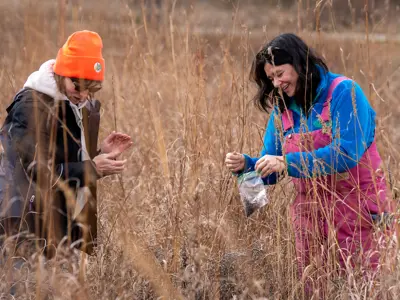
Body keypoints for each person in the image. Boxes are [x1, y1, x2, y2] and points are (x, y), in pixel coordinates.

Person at [225, 33, 393, 293]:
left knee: (364, 287)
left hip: (359, 211)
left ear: (300, 64)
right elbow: (272, 169)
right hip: (311, 220)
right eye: (271, 78)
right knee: (316, 289)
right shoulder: (282, 110)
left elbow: (347, 152)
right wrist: (248, 165)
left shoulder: (344, 93)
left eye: (280, 73)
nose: (277, 83)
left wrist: (287, 162)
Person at [0, 30, 133, 259]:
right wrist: (93, 168)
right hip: (19, 225)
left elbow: (66, 164)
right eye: (78, 85)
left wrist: (100, 156)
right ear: (63, 72)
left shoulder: (75, 106)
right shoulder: (31, 106)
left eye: (90, 90)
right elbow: (35, 171)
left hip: (55, 226)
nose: (83, 95)